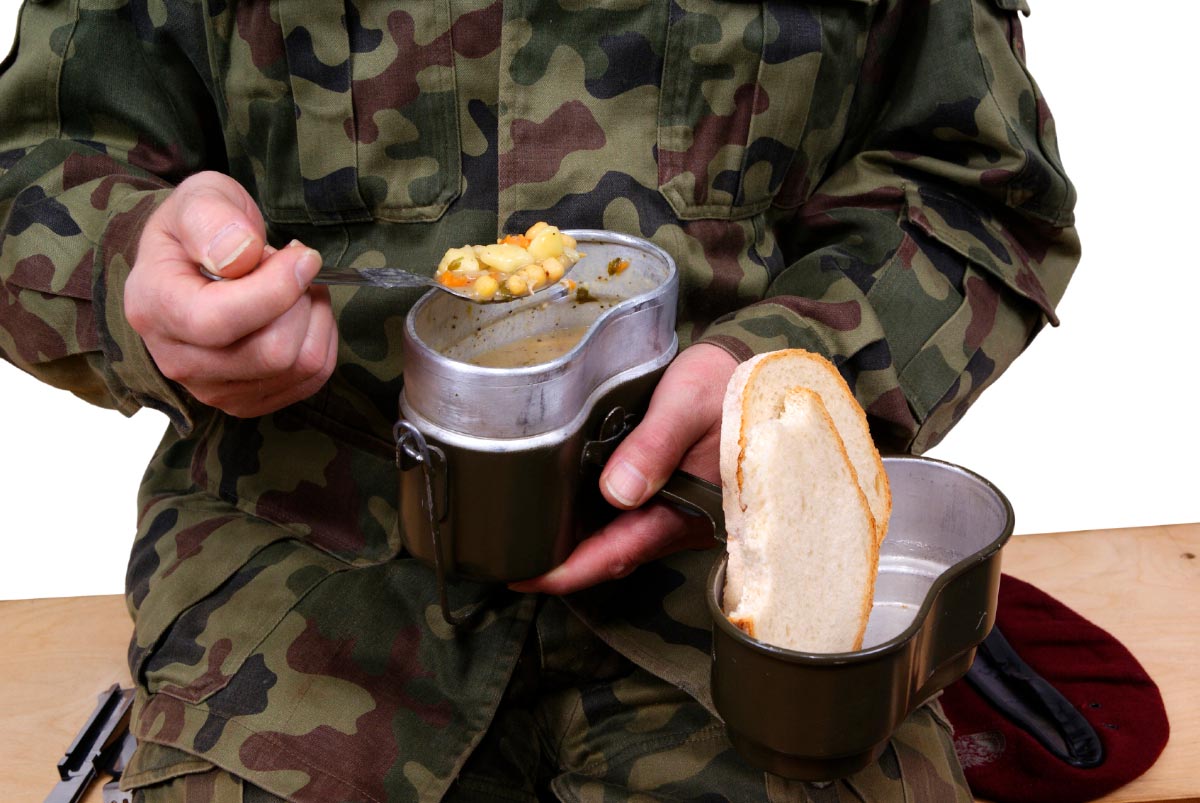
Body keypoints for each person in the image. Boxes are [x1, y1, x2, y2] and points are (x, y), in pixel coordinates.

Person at [0, 0, 1078, 800]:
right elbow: (33, 167)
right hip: (301, 598)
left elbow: (979, 183)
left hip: (742, 584)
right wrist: (130, 268)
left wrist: (784, 379)